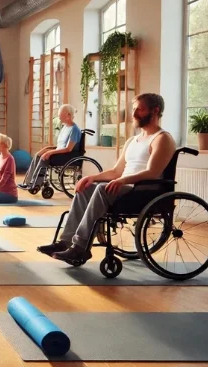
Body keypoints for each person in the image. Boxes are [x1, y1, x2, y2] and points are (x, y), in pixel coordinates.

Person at [37, 93, 176, 263]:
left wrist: (123, 180)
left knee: (103, 189)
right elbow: (117, 171)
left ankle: (80, 248)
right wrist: (92, 177)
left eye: (139, 109)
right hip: (125, 188)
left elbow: (152, 173)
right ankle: (65, 242)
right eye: (133, 109)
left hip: (144, 191)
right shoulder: (133, 140)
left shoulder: (162, 139)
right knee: (87, 187)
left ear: (155, 110)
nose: (133, 114)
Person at [19, 104, 82, 189]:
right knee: (38, 155)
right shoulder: (65, 127)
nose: (58, 116)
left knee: (44, 157)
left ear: (68, 115)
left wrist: (50, 152)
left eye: (60, 114)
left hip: (67, 156)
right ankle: (28, 182)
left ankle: (36, 184)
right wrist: (46, 149)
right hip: (60, 153)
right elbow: (60, 146)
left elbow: (68, 148)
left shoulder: (74, 129)